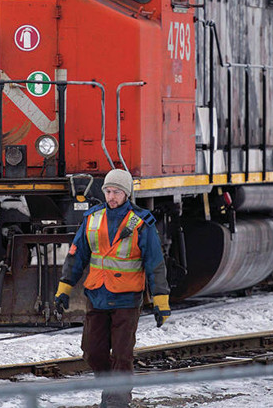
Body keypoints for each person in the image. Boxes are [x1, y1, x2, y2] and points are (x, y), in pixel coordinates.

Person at [54, 168, 171, 408]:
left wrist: (161, 301)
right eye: (108, 191)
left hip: (126, 299)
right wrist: (64, 288)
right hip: (96, 295)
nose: (111, 196)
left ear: (126, 193)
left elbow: (155, 263)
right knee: (92, 352)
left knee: (121, 355)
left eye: (117, 191)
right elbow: (77, 255)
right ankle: (111, 389)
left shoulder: (141, 222)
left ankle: (117, 402)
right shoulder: (93, 218)